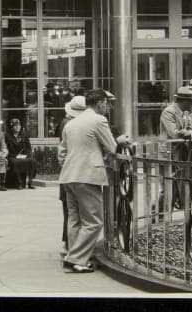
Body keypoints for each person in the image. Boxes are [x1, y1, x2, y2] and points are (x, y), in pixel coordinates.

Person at [58, 88, 132, 274]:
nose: (108, 107)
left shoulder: (71, 123)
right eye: (106, 104)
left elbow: (63, 152)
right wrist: (121, 140)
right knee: (94, 221)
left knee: (74, 219)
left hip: (68, 175)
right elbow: (112, 147)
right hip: (87, 176)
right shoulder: (99, 120)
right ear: (100, 103)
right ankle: (75, 259)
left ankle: (74, 257)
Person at [58, 95, 86, 254]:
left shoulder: (66, 123)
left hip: (68, 174)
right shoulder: (69, 125)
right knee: (72, 214)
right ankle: (70, 246)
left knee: (71, 213)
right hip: (73, 175)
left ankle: (69, 244)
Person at [5, 117, 37, 189]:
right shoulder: (7, 136)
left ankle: (30, 182)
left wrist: (27, 154)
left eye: (19, 125)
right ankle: (19, 182)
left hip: (23, 156)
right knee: (15, 162)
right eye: (15, 126)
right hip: (12, 156)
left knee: (32, 161)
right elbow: (5, 149)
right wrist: (14, 156)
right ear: (12, 127)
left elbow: (29, 147)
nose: (18, 127)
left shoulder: (24, 136)